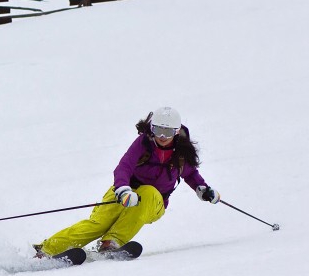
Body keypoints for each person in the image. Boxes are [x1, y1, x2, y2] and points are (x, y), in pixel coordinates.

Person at [35, 106, 220, 257]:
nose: (162, 137)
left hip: (154, 202)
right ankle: (48, 249)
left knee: (149, 192)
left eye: (167, 132)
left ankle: (112, 242)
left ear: (176, 131)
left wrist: (203, 189)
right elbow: (124, 167)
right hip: (127, 191)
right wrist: (123, 190)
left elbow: (191, 174)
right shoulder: (144, 143)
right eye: (158, 130)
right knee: (98, 223)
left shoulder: (180, 152)